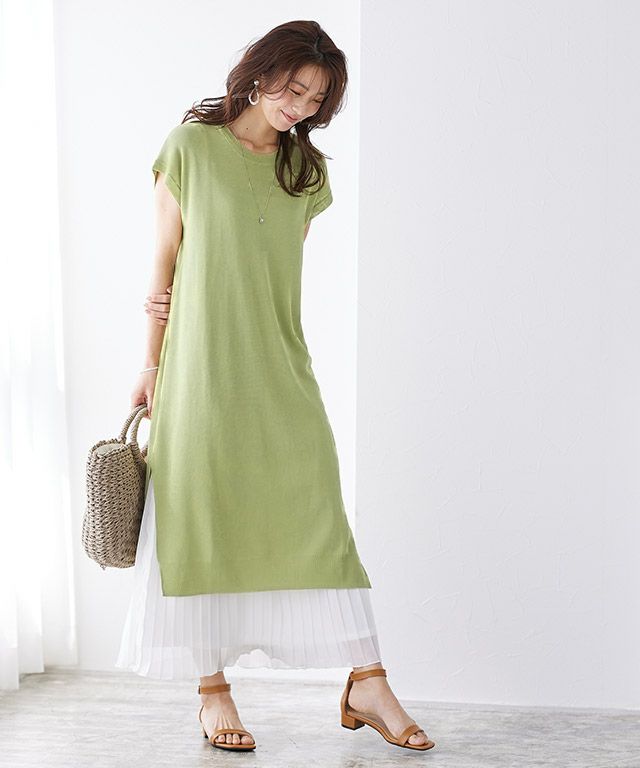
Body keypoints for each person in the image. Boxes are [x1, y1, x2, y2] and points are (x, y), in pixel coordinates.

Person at [116, 19, 434, 754]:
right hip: (197, 372)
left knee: (319, 517)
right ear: (259, 75)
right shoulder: (189, 148)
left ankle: (367, 680)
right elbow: (163, 270)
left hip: (280, 367)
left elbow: (275, 277)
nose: (300, 107)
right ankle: (212, 691)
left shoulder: (306, 173)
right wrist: (149, 367)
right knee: (199, 520)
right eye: (293, 89)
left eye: (316, 99)